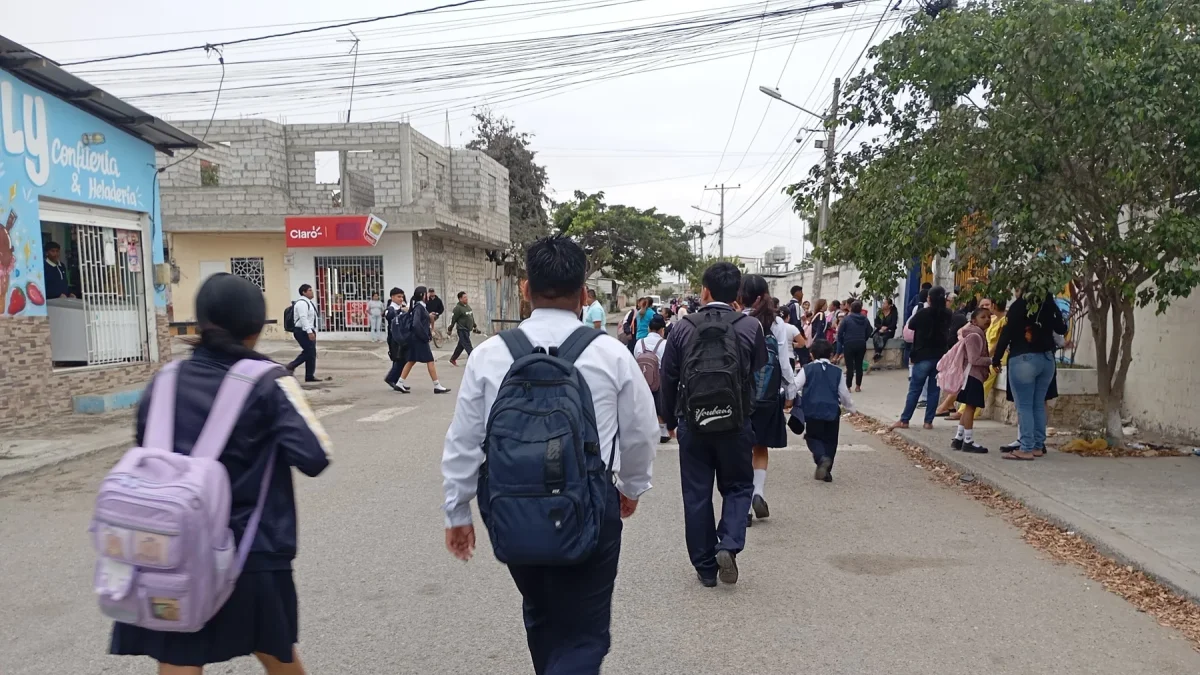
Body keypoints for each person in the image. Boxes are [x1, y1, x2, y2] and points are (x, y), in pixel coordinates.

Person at [441, 235, 658, 675]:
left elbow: (464, 439)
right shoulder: (611, 353)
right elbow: (641, 432)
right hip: (591, 505)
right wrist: (632, 488)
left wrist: (456, 511)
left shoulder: (488, 355)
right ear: (583, 295)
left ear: (525, 289)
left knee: (540, 611)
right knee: (583, 635)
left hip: (510, 506)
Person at [110, 273, 330, 674]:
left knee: (179, 652)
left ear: (201, 321)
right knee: (275, 650)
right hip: (251, 551)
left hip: (169, 549)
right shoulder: (270, 382)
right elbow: (314, 457)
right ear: (254, 328)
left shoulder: (164, 380)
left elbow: (146, 448)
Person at [661, 262, 767, 587]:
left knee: (696, 494)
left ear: (704, 291)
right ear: (737, 293)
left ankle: (706, 568)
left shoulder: (681, 327)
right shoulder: (750, 327)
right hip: (736, 423)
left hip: (693, 423)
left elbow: (668, 375)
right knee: (737, 487)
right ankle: (729, 545)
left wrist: (670, 418)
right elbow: (760, 372)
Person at [740, 276, 795, 529]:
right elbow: (784, 362)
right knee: (760, 448)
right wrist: (790, 390)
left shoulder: (737, 320)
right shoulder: (778, 323)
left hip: (740, 396)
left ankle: (742, 507)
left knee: (740, 451)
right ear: (764, 295)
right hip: (767, 396)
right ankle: (757, 492)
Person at [993, 292, 1067, 460]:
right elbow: (1062, 328)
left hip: (1024, 358)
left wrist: (996, 359)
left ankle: (1025, 448)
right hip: (1047, 359)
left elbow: (1007, 333)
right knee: (1038, 404)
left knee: (1024, 406)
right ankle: (1038, 446)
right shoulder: (1049, 305)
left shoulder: (1019, 306)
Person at [893, 286, 952, 430]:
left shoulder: (923, 313)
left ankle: (905, 420)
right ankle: (928, 422)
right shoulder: (948, 314)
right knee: (934, 391)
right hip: (939, 356)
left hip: (922, 355)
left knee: (915, 389)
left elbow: (911, 325)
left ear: (929, 299)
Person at [797, 339, 856, 482]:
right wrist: (851, 408)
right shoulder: (837, 371)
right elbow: (843, 394)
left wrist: (787, 398)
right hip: (832, 411)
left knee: (813, 437)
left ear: (811, 354)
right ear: (830, 354)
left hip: (812, 410)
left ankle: (821, 458)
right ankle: (827, 470)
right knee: (831, 441)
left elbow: (795, 385)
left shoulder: (807, 369)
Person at [944, 308, 994, 453]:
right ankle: (968, 441)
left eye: (988, 317)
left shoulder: (977, 333)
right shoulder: (974, 336)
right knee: (970, 408)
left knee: (967, 408)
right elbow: (974, 359)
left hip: (971, 375)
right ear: (973, 321)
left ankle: (959, 438)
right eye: (982, 317)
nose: (987, 320)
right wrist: (992, 360)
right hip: (973, 376)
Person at [395, 286, 451, 395]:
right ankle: (437, 385)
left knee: (411, 360)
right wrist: (425, 336)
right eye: (426, 294)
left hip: (416, 339)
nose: (428, 296)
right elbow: (416, 324)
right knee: (430, 360)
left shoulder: (420, 307)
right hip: (419, 339)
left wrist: (428, 317)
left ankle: (400, 382)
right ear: (422, 295)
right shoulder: (419, 307)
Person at [635, 314, 670, 442]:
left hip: (642, 380)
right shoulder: (665, 343)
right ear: (662, 330)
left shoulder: (640, 343)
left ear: (649, 329)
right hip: (659, 380)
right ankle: (663, 431)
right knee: (661, 404)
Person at [285, 285, 321, 383]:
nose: (312, 292)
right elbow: (303, 318)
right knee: (309, 351)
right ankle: (291, 366)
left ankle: (309, 375)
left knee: (312, 353)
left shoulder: (308, 303)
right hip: (302, 331)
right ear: (304, 292)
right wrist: (309, 332)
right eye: (309, 290)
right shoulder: (302, 303)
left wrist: (313, 330)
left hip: (308, 330)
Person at [837, 300, 872, 393]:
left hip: (849, 343)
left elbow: (839, 333)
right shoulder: (865, 319)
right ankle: (858, 386)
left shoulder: (846, 319)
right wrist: (864, 338)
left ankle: (848, 387)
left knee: (850, 366)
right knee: (859, 365)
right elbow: (870, 330)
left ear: (851, 309)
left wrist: (843, 342)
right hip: (861, 343)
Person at [384, 288, 409, 391]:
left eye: (402, 296)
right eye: (399, 297)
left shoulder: (402, 307)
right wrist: (401, 311)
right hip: (394, 338)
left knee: (403, 359)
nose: (401, 299)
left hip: (402, 337)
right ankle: (390, 379)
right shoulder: (390, 309)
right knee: (398, 359)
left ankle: (398, 382)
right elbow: (390, 316)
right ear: (392, 297)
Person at [448, 291, 477, 367]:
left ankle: (453, 359)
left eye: (466, 297)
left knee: (461, 345)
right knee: (467, 345)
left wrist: (474, 326)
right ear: (460, 299)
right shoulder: (458, 308)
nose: (466, 299)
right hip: (462, 329)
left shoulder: (467, 307)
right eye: (464, 297)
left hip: (467, 329)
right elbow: (453, 320)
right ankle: (474, 359)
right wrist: (450, 329)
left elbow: (471, 317)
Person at [873, 297, 897, 362]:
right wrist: (881, 327)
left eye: (884, 303)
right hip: (880, 329)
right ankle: (877, 353)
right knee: (875, 336)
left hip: (889, 331)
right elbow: (876, 323)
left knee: (883, 337)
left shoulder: (893, 313)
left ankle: (878, 353)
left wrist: (886, 328)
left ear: (889, 305)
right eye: (883, 303)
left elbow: (893, 324)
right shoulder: (880, 312)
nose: (882, 304)